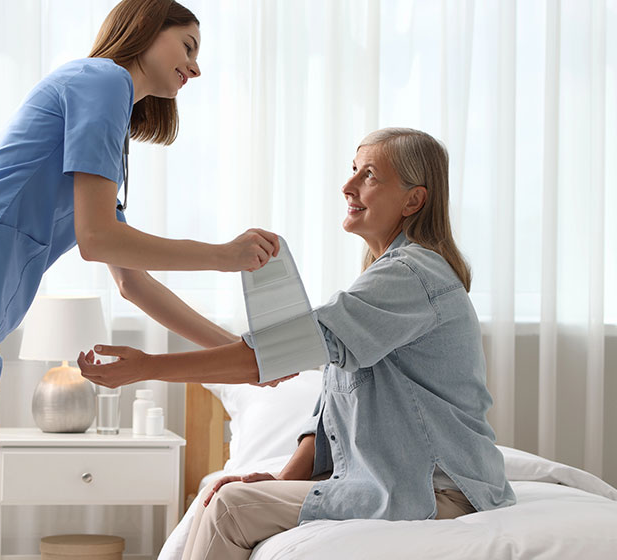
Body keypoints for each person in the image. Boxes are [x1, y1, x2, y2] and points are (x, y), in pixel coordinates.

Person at [0, 1, 282, 559]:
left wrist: (239, 356)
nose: (196, 69)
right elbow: (98, 241)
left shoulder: (108, 123)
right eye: (187, 46)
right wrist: (224, 256)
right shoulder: (102, 80)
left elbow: (133, 284)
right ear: (144, 27)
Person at [78, 127, 517, 560]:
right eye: (352, 171)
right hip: (398, 480)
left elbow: (278, 352)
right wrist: (281, 481)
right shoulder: (390, 276)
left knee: (230, 508)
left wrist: (146, 367)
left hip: (436, 490)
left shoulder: (412, 275)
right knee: (228, 495)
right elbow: (330, 410)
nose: (348, 185)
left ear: (413, 199)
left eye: (369, 175)